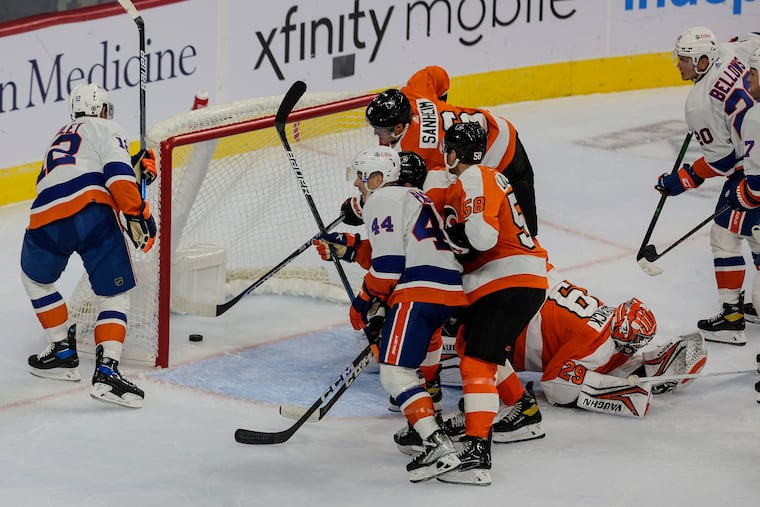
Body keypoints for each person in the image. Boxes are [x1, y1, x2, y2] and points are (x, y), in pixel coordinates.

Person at [323, 145, 469, 483]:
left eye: (362, 178)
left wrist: (362, 303)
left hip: (420, 290)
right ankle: (424, 428)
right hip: (447, 290)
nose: (358, 185)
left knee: (394, 374)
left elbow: (388, 268)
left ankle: (437, 444)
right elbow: (395, 249)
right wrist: (349, 247)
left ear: (378, 177)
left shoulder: (383, 200)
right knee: (427, 359)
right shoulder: (416, 197)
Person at [22, 83, 157, 409]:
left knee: (36, 280)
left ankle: (61, 351)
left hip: (45, 215)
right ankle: (107, 370)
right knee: (113, 294)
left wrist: (133, 167)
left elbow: (70, 173)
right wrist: (138, 211)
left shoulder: (59, 135)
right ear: (102, 110)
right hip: (91, 213)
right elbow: (116, 177)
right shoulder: (108, 126)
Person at [436, 122, 548, 486]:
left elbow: (482, 238)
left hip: (508, 280)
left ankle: (476, 453)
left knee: (475, 363)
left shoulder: (475, 177)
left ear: (456, 153)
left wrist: (453, 237)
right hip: (507, 280)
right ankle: (524, 410)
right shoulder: (481, 178)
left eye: (447, 148)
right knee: (475, 347)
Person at [438, 277, 708, 421]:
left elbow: (558, 383)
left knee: (456, 355)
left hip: (516, 299)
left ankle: (639, 370)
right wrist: (624, 393)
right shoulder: (598, 347)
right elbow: (557, 386)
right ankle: (638, 372)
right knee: (458, 350)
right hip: (515, 326)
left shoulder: (605, 316)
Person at [654, 27, 760, 345]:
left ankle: (731, 317)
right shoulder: (736, 51)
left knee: (724, 236)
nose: (678, 64)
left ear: (702, 60)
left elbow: (723, 162)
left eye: (684, 59)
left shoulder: (698, 104)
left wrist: (683, 179)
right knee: (754, 235)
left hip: (749, 170)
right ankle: (751, 305)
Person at [364, 66, 539, 238]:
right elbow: (437, 73)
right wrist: (439, 110)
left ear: (398, 127)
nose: (375, 133)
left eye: (380, 129)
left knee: (523, 230)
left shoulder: (414, 152)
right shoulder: (413, 94)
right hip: (482, 134)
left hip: (503, 147)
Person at [727, 47, 760, 326]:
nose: (748, 81)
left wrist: (740, 195)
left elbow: (757, 189)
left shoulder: (755, 117)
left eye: (752, 74)